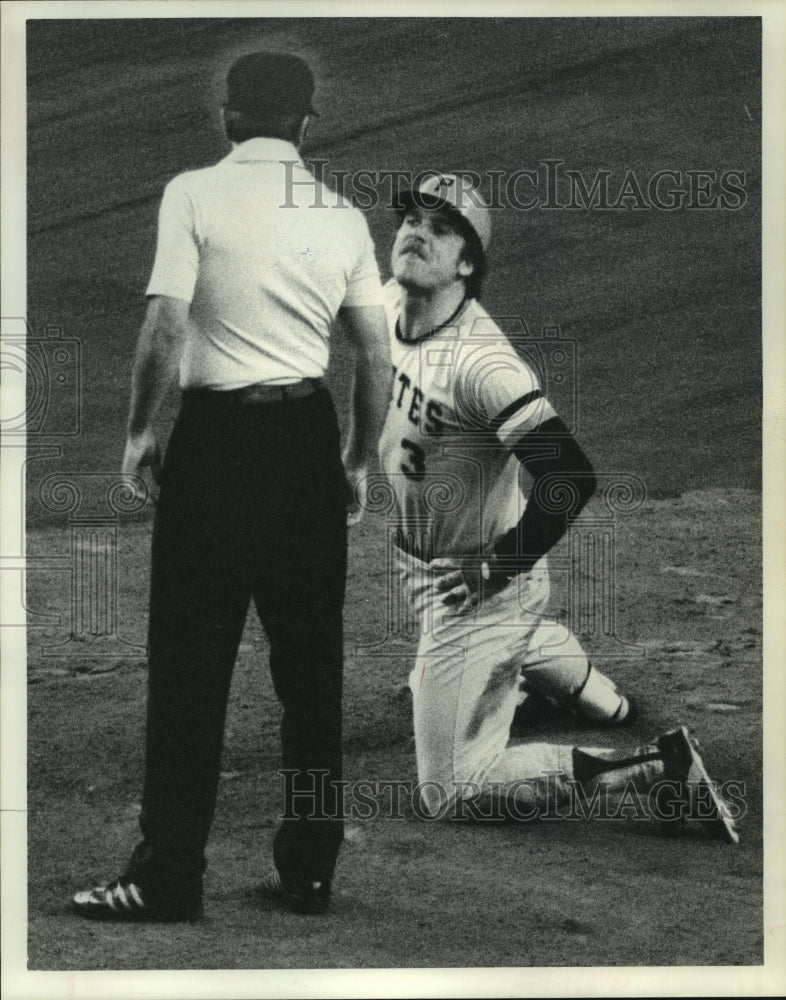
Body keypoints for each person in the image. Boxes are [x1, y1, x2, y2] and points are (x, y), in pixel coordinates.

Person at [72, 52, 392, 921]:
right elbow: (376, 356)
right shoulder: (341, 215)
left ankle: (169, 872)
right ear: (305, 123)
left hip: (215, 447)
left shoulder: (193, 193)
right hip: (304, 445)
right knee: (312, 671)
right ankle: (310, 872)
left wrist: (142, 432)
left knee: (189, 666)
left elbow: (165, 323)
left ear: (229, 116)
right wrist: (355, 461)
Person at [376, 173, 739, 841]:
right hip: (428, 572)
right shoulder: (387, 306)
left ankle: (657, 772)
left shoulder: (485, 366)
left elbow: (570, 478)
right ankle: (585, 689)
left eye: (441, 225)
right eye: (411, 217)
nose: (416, 231)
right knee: (447, 668)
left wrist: (498, 565)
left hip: (475, 590)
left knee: (449, 790)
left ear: (466, 263)